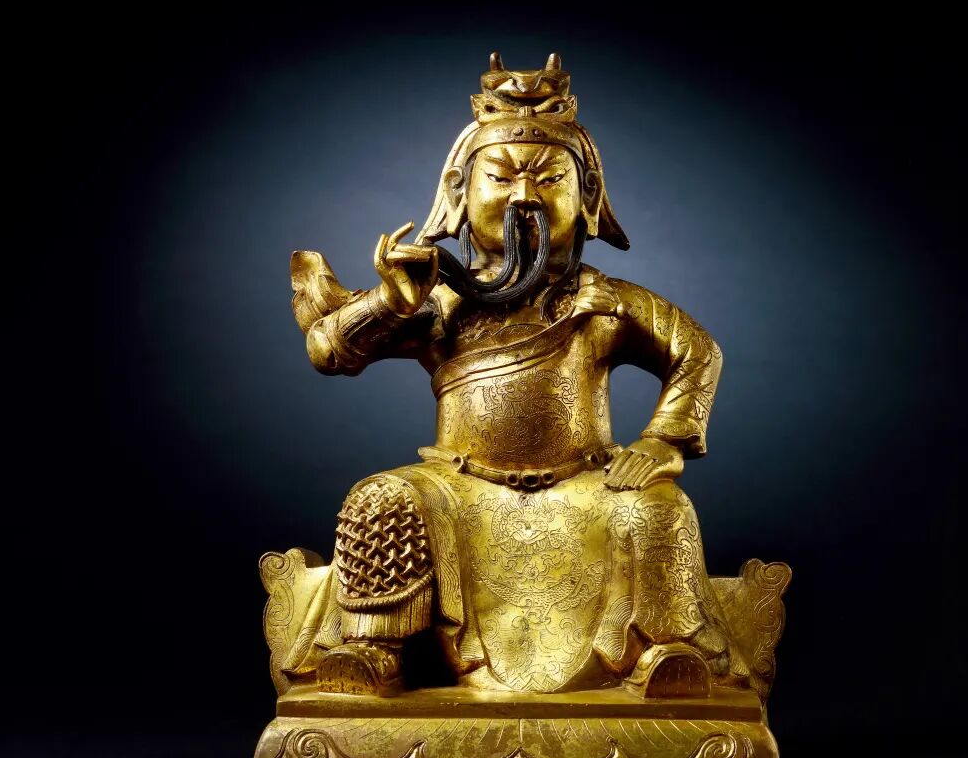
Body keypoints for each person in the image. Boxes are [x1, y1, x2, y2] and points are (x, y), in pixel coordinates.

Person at [283, 53, 747, 698]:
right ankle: (373, 649)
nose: (524, 197)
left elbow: (696, 351)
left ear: (587, 198)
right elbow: (329, 350)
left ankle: (663, 651)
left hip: (585, 483)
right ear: (458, 193)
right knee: (381, 499)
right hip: (459, 487)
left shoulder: (602, 302)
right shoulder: (441, 302)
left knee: (659, 509)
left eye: (549, 179)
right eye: (500, 178)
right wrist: (391, 301)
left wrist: (662, 441)